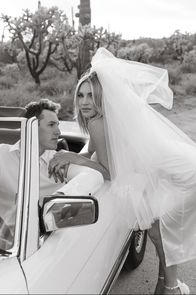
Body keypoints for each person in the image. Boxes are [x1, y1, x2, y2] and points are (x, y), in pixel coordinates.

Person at [48, 48, 196, 295]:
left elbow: (108, 172)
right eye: (80, 95)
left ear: (100, 98)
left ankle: (172, 289)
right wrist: (63, 157)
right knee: (158, 231)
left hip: (182, 175)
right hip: (170, 169)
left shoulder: (98, 122)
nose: (84, 101)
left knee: (160, 233)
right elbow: (90, 154)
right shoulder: (100, 119)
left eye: (90, 96)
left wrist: (71, 156)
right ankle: (165, 284)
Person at [0, 99, 104, 224]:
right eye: (51, 125)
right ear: (30, 126)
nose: (58, 132)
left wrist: (57, 199)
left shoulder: (59, 160)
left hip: (43, 239)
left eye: (58, 125)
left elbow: (94, 176)